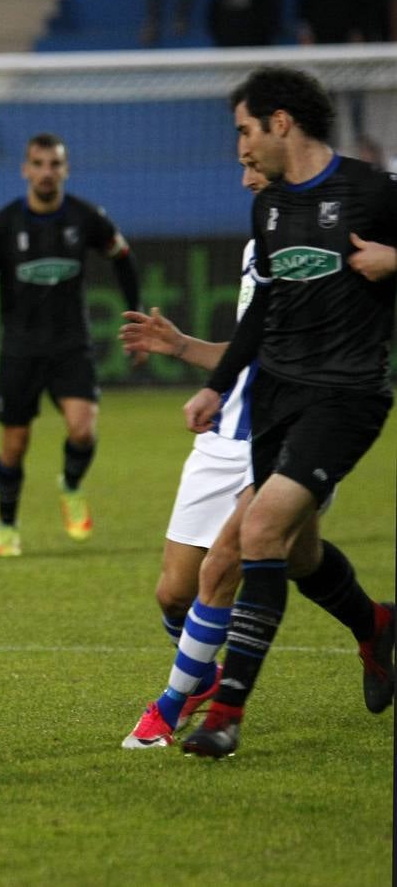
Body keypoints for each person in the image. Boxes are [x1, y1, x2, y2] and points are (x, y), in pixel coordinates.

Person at [117, 167, 397, 749]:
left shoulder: (344, 222)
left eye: (251, 156)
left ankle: (177, 704)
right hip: (225, 436)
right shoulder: (263, 241)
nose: (245, 175)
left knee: (225, 564)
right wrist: (184, 348)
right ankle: (376, 625)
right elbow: (257, 346)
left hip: (296, 428)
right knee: (186, 588)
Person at [179, 66, 397, 758]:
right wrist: (217, 384)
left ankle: (226, 716)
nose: (239, 147)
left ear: (281, 122)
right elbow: (262, 311)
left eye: (244, 130)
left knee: (260, 531)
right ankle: (377, 624)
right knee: (298, 552)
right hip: (278, 395)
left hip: (349, 394)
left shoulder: (370, 190)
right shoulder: (268, 207)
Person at [0, 132, 142, 557]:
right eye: (38, 164)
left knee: (83, 428)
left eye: (54, 164)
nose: (46, 172)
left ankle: (71, 485)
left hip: (71, 345)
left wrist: (135, 313)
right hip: (20, 349)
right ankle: (6, 525)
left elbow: (123, 257)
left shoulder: (86, 217)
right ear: (25, 169)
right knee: (14, 446)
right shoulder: (4, 223)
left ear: (65, 169)